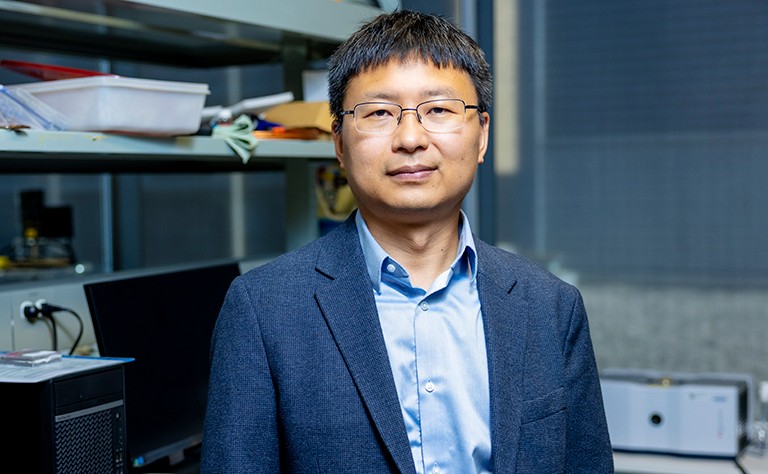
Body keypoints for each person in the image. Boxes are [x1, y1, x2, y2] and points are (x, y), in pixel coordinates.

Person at [201, 9, 613, 474]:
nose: (411, 138)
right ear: (338, 143)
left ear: (482, 136)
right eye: (378, 113)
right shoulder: (264, 309)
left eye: (438, 110)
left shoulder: (550, 307)